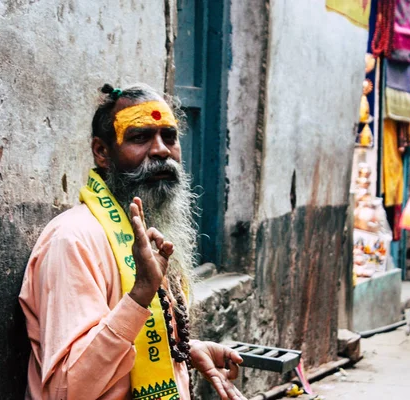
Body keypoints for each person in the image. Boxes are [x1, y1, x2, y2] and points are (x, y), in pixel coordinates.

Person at [19, 83, 246, 400]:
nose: (161, 151)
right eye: (140, 137)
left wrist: (185, 351)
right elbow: (67, 392)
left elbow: (135, 344)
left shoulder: (152, 230)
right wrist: (140, 295)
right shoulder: (73, 239)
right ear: (102, 152)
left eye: (169, 136)